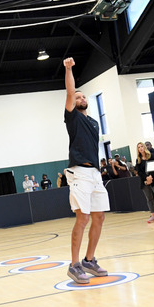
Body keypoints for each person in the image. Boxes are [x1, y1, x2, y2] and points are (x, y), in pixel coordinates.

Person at [63, 57, 110, 284]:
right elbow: (70, 92)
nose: (80, 98)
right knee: (83, 218)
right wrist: (70, 68)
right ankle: (74, 265)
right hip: (80, 173)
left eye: (84, 96)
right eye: (78, 96)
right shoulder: (72, 118)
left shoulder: (93, 122)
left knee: (99, 217)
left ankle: (89, 260)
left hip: (95, 175)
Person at [136, 142, 154, 224]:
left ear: (144, 147)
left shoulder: (152, 156)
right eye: (139, 147)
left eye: (142, 146)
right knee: (149, 199)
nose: (141, 148)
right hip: (145, 182)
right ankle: (153, 215)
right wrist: (146, 178)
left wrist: (150, 177)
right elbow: (139, 172)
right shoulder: (138, 160)